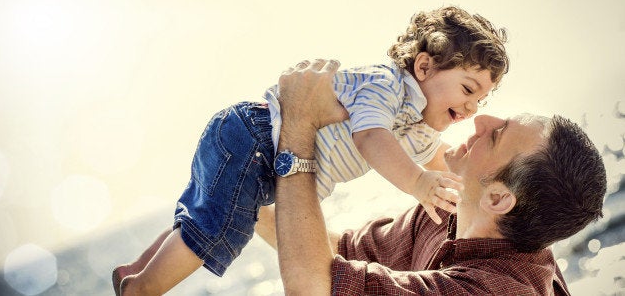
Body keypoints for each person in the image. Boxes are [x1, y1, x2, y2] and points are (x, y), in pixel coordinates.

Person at [113, 6, 509, 295]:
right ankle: (142, 289)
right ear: (423, 67)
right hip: (256, 138)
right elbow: (371, 137)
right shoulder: (387, 86)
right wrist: (419, 183)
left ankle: (136, 270)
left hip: (263, 155)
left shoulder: (420, 127)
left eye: (482, 99)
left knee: (209, 214)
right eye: (468, 89)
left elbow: (440, 165)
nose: (473, 107)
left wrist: (475, 188)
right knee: (218, 230)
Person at [259, 58, 607, 294]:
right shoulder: (448, 211)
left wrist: (298, 126)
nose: (481, 120)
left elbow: (315, 286)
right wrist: (236, 196)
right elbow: (344, 253)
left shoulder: (498, 290)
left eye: (497, 134)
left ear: (498, 199)